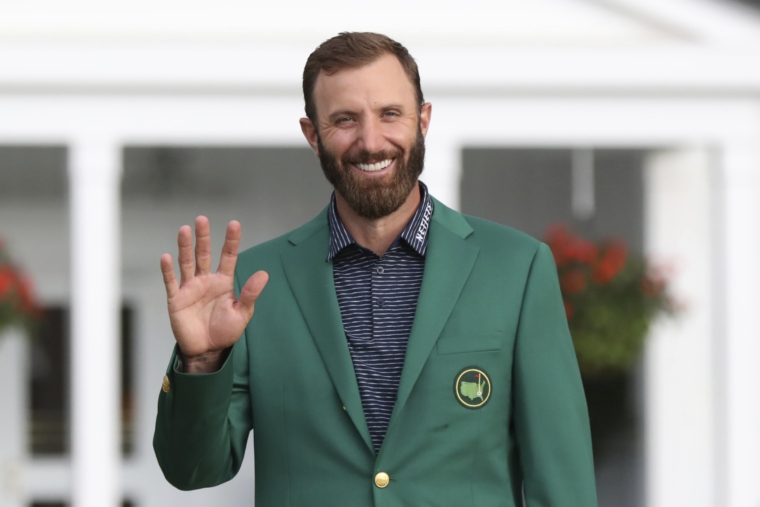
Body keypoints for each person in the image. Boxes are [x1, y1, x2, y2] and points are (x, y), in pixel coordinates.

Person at [153, 32, 597, 506]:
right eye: (345, 119)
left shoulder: (517, 268)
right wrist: (201, 362)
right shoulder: (255, 284)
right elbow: (193, 470)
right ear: (312, 134)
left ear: (423, 120)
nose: (371, 141)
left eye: (390, 114)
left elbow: (562, 484)